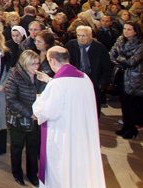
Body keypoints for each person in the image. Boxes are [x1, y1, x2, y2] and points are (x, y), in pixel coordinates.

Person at [32, 46, 105, 187]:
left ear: (52, 60)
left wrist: (39, 97)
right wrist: (49, 81)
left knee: (62, 171)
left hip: (63, 137)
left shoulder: (57, 84)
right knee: (80, 171)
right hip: (83, 134)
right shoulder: (85, 78)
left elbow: (44, 111)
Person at [4, 50, 41, 186]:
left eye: (38, 64)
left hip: (35, 118)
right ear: (25, 64)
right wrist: (29, 113)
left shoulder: (39, 76)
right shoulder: (14, 75)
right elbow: (11, 99)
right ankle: (17, 173)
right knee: (17, 147)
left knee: (33, 147)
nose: (36, 67)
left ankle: (32, 174)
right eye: (33, 64)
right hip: (19, 118)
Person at [66, 25, 111, 115]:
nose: (81, 38)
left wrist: (101, 84)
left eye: (84, 35)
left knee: (93, 110)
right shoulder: (71, 45)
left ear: (90, 36)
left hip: (93, 83)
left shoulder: (100, 48)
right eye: (79, 35)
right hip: (75, 82)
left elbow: (106, 68)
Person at [109, 21, 143, 139]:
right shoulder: (120, 40)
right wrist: (121, 60)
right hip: (120, 75)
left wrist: (119, 58)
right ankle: (125, 126)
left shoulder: (140, 44)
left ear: (135, 31)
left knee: (132, 104)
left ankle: (132, 129)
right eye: (124, 29)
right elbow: (111, 54)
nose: (125, 31)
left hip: (134, 77)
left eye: (129, 29)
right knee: (124, 103)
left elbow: (132, 62)